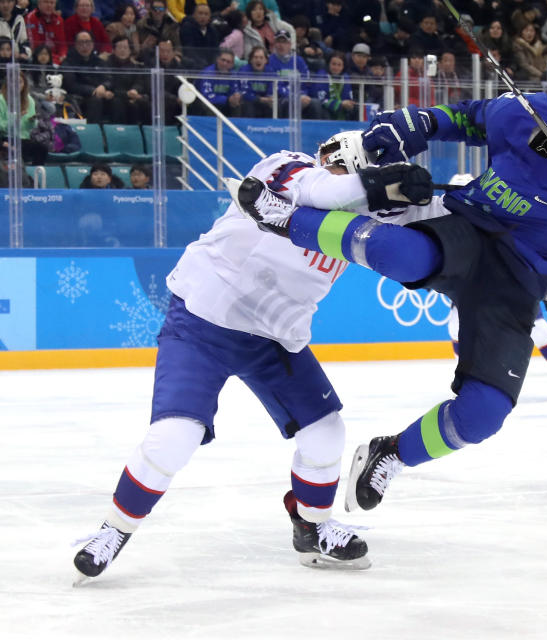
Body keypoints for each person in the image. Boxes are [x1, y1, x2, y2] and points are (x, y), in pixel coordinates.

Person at [231, 76, 547, 514]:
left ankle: (391, 454)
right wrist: (424, 122)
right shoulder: (523, 113)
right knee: (395, 252)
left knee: (483, 415)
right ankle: (284, 219)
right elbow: (468, 118)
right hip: (469, 232)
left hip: (514, 285)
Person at [71, 132, 382, 585]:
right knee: (175, 436)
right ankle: (113, 531)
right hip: (203, 320)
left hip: (274, 337)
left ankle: (312, 528)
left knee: (326, 431)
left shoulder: (359, 213)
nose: (342, 178)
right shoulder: (288, 168)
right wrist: (380, 184)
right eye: (341, 169)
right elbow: (324, 189)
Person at [25, 0, 67, 64]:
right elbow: (35, 46)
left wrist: (63, 56)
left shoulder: (59, 20)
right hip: (39, 58)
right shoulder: (31, 18)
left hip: (57, 60)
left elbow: (62, 45)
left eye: (52, 3)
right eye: (46, 2)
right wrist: (56, 59)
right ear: (39, 4)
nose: (49, 5)